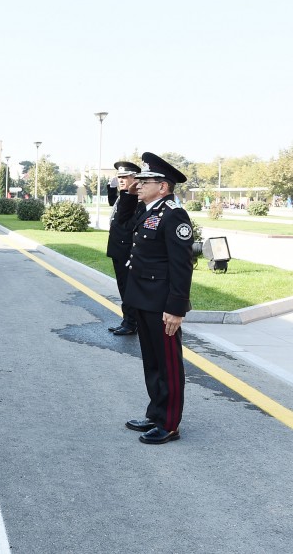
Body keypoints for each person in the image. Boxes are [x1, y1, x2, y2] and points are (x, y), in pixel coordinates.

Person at [122, 152, 194, 445]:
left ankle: (170, 424)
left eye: (144, 180)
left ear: (163, 186)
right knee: (152, 362)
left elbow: (181, 266)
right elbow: (124, 227)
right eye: (137, 180)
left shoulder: (173, 215)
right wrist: (127, 193)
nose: (137, 185)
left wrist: (175, 309)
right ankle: (155, 413)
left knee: (168, 365)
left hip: (162, 304)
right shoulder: (147, 210)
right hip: (143, 299)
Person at [106, 161, 141, 336]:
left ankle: (131, 322)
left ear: (135, 178)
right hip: (118, 249)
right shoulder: (124, 196)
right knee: (122, 287)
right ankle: (127, 320)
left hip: (127, 250)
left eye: (125, 177)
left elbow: (123, 221)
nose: (120, 180)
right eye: (119, 177)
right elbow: (113, 203)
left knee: (128, 288)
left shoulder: (135, 198)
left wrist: (129, 194)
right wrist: (110, 188)